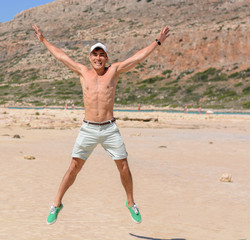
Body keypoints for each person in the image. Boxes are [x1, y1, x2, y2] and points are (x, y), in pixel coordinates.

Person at [33, 24, 170, 225]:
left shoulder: (114, 71)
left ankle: (130, 203)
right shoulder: (82, 71)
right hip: (88, 128)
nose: (98, 58)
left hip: (109, 128)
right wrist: (43, 40)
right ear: (90, 58)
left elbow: (138, 57)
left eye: (101, 54)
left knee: (123, 165)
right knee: (73, 168)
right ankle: (56, 204)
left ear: (106, 58)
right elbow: (61, 56)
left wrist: (157, 42)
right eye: (94, 54)